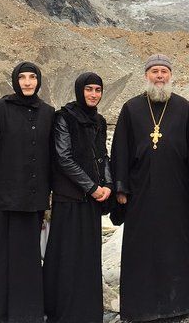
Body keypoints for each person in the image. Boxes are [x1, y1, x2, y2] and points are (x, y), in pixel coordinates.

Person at [111, 54, 189, 322]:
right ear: (146, 76)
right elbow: (120, 150)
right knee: (142, 247)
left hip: (178, 191)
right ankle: (141, 306)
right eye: (154, 72)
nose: (159, 76)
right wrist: (121, 187)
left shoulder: (184, 108)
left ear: (171, 76)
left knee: (176, 246)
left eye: (163, 72)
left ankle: (179, 305)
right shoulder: (131, 108)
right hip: (141, 192)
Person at [0, 62, 54, 323]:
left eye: (32, 77)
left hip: (33, 198)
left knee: (26, 260)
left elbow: (50, 157)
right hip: (1, 197)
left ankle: (25, 314)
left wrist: (48, 196)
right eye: (22, 78)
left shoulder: (48, 112)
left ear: (38, 81)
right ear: (15, 81)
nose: (27, 82)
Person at [43, 72, 113, 323]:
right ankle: (62, 311)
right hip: (70, 197)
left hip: (92, 200)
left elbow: (102, 155)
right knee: (67, 254)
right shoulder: (65, 118)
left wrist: (107, 184)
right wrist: (92, 187)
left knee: (88, 254)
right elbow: (64, 158)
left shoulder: (99, 121)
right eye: (89, 89)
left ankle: (87, 311)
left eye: (97, 90)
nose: (93, 94)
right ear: (79, 90)